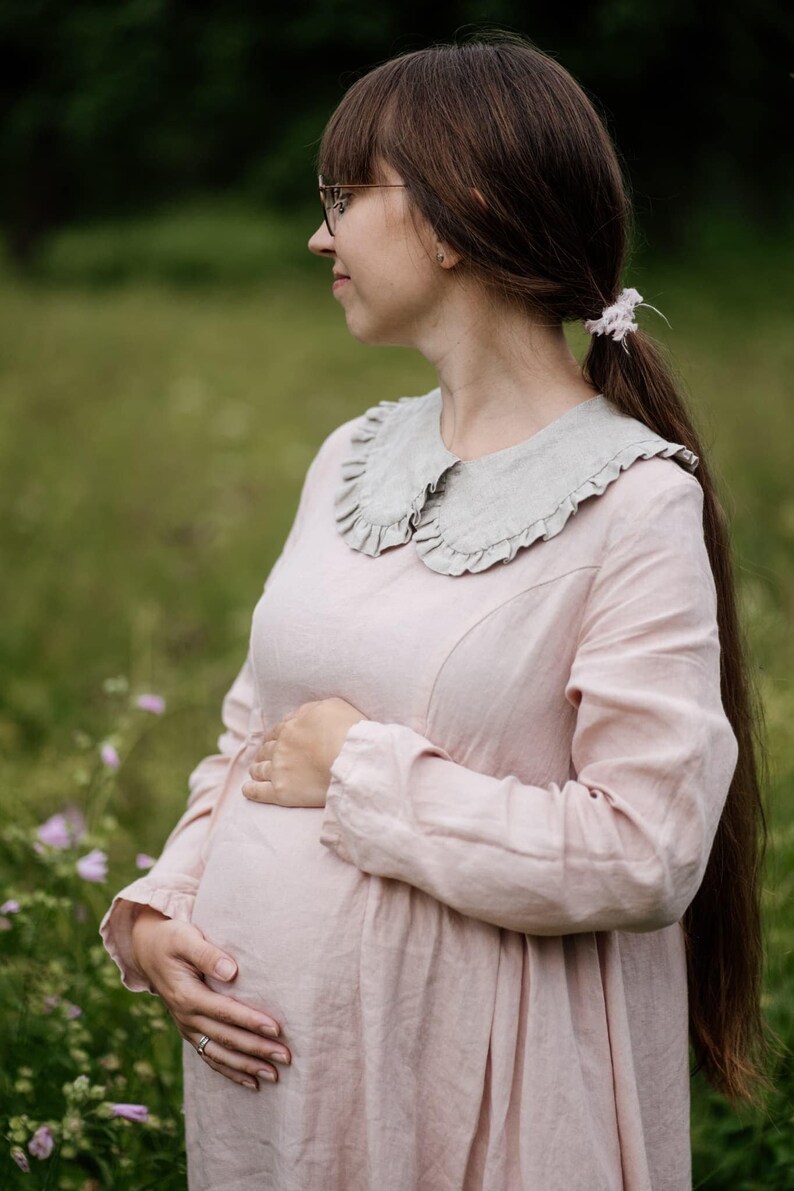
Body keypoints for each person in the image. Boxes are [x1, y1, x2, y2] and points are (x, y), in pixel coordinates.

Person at [100, 32, 769, 1191]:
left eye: (348, 194)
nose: (319, 234)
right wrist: (167, 905)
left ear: (458, 212)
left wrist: (365, 772)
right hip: (277, 1114)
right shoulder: (350, 456)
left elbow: (646, 852)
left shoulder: (633, 504)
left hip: (471, 1112)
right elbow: (255, 735)